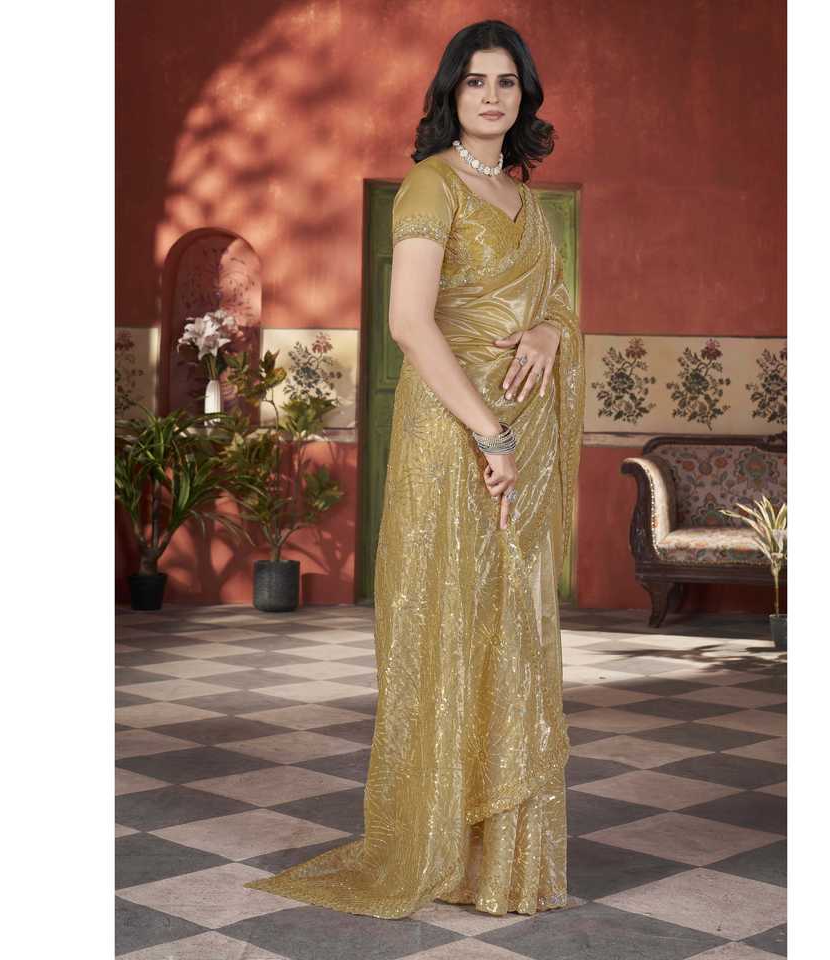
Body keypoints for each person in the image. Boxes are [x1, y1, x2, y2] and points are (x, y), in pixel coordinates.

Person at [244, 19, 584, 919]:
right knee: (451, 618)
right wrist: (490, 434)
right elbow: (409, 322)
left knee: (511, 628)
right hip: (458, 439)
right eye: (475, 81)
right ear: (450, 93)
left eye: (506, 81)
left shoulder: (524, 198)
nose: (491, 97)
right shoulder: (432, 185)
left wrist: (549, 333)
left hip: (522, 446)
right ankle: (441, 842)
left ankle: (498, 859)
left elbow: (555, 305)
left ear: (525, 95)